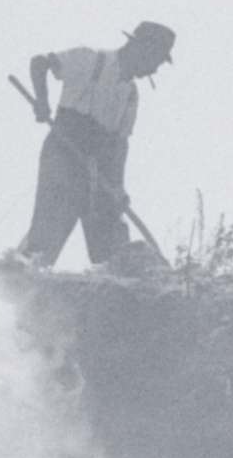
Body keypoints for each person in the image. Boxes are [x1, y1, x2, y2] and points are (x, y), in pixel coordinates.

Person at [16, 19, 176, 270]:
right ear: (141, 49)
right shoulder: (89, 59)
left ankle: (119, 281)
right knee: (52, 222)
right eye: (155, 60)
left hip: (99, 166)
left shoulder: (131, 95)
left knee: (110, 233)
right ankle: (22, 270)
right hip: (63, 151)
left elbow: (120, 145)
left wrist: (118, 188)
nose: (154, 69)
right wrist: (42, 101)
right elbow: (40, 63)